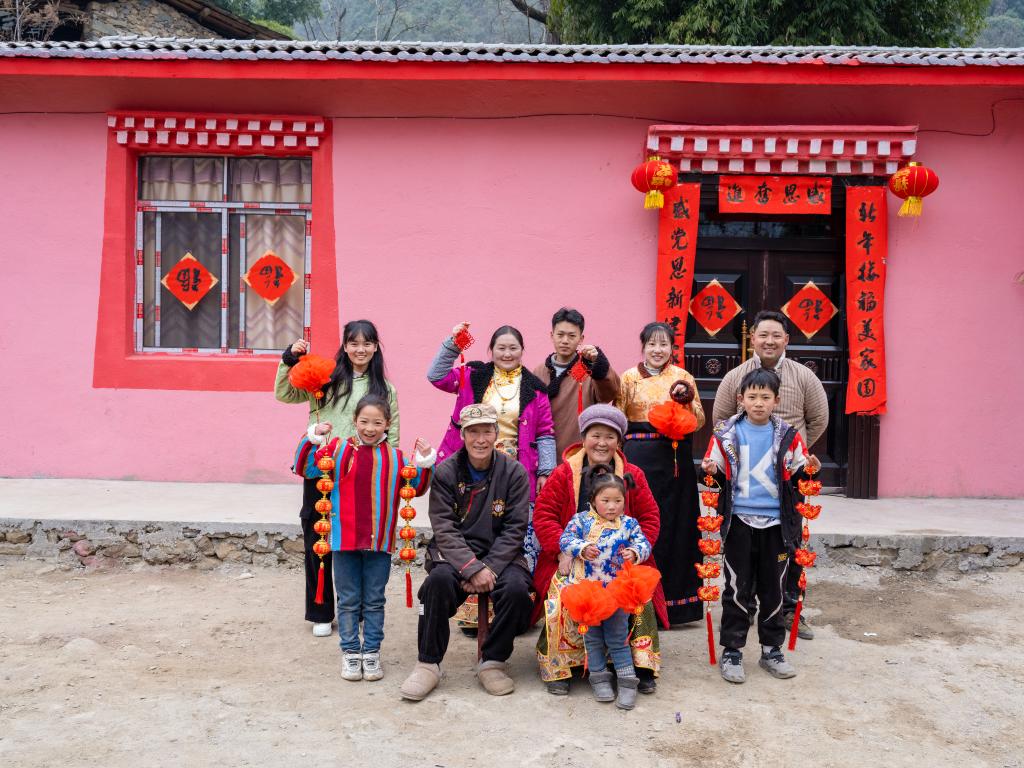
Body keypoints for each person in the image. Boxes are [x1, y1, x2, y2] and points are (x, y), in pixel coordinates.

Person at [399, 404, 534, 701]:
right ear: (463, 435)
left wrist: (490, 568)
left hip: (501, 554)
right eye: (473, 432)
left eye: (487, 431)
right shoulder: (447, 471)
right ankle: (428, 663)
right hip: (456, 553)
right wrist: (472, 568)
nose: (480, 439)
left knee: (516, 591)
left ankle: (493, 660)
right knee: (436, 585)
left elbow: (515, 528)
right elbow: (444, 527)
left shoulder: (514, 472)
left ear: (496, 434)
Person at [295, 394, 434, 681]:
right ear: (355, 421)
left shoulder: (396, 458)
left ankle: (371, 652)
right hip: (344, 541)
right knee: (347, 600)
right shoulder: (337, 450)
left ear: (388, 424)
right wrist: (312, 438)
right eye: (364, 421)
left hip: (379, 542)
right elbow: (305, 467)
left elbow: (416, 487)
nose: (370, 428)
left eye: (377, 422)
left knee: (374, 600)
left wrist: (424, 460)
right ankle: (350, 652)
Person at [277, 319, 400, 638]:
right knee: (318, 541)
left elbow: (393, 438)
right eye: (354, 343)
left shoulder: (385, 390)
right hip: (323, 470)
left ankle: (355, 608)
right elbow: (285, 393)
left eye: (367, 343)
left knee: (357, 543)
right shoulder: (324, 377)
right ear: (344, 346)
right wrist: (289, 359)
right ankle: (320, 611)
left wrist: (391, 474)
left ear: (376, 347)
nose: (361, 349)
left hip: (363, 475)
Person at [428, 323, 555, 631]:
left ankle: (510, 615)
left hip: (515, 473)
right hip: (469, 468)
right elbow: (436, 376)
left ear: (523, 351)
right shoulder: (473, 375)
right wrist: (453, 343)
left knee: (515, 539)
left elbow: (545, 432)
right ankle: (472, 617)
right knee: (469, 535)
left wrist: (545, 472)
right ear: (491, 350)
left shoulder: (536, 388)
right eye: (501, 348)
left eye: (513, 348)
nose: (507, 353)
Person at [711, 310, 829, 640]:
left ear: (786, 340)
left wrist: (792, 452)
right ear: (752, 339)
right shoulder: (735, 377)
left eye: (776, 335)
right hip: (745, 479)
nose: (769, 341)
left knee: (790, 542)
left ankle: (790, 609)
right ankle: (744, 607)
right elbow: (721, 422)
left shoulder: (804, 377)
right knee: (744, 547)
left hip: (789, 476)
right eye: (763, 335)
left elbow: (819, 419)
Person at [533, 404, 665, 695]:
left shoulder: (633, 475)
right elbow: (544, 515)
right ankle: (560, 666)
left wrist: (636, 552)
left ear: (619, 441)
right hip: (573, 558)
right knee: (562, 595)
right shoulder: (563, 474)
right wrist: (563, 551)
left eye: (610, 436)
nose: (602, 443)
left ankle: (639, 666)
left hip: (621, 562)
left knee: (638, 596)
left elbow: (650, 518)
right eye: (595, 435)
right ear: (583, 438)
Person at [701, 368, 821, 684]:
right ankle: (732, 651)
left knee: (774, 589)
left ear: (776, 401)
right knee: (737, 589)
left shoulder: (789, 436)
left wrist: (811, 471)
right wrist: (710, 472)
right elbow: (713, 478)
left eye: (765, 397)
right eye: (752, 397)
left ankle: (772, 650)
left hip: (777, 525)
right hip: (738, 522)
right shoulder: (726, 435)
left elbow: (801, 476)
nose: (758, 403)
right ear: (740, 399)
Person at [616, 321, 705, 626]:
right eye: (652, 344)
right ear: (643, 347)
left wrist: (685, 401)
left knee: (675, 526)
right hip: (638, 460)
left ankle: (676, 606)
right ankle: (636, 603)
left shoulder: (683, 378)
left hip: (675, 463)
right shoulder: (628, 378)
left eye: (664, 344)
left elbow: (699, 419)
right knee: (640, 526)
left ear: (672, 348)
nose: (658, 350)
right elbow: (619, 420)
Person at [558, 466, 652, 710]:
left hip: (617, 593)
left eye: (618, 501)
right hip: (587, 593)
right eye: (606, 501)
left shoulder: (629, 524)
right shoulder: (581, 521)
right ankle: (599, 679)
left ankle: (627, 682)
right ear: (593, 500)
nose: (612, 507)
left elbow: (644, 543)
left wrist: (635, 552)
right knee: (593, 639)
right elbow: (565, 540)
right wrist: (581, 548)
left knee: (618, 638)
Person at [531, 307, 619, 463]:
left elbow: (609, 395)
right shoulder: (539, 372)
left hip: (580, 453)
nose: (565, 340)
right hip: (545, 455)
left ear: (581, 339)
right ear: (551, 335)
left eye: (572, 336)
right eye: (560, 335)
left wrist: (599, 365)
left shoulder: (588, 367)